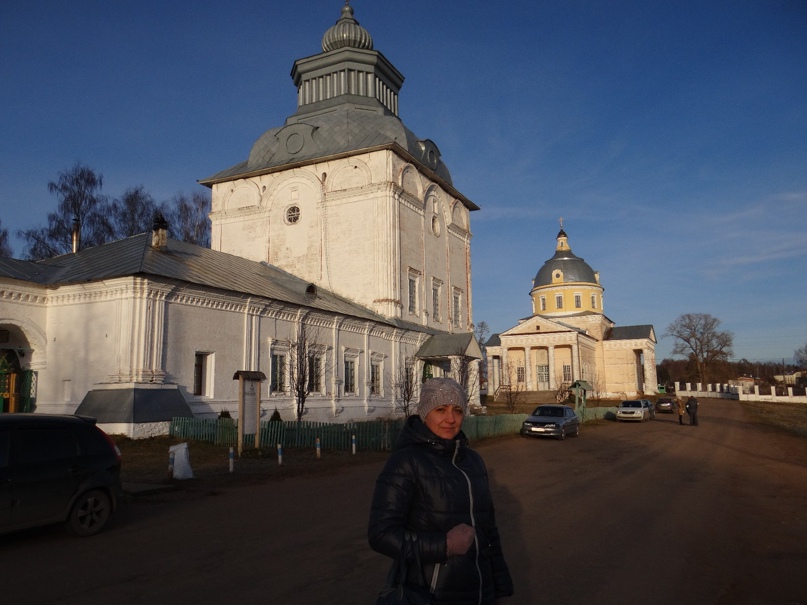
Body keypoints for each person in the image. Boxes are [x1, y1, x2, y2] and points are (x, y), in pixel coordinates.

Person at [368, 377, 514, 604]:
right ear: (425, 414)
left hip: (479, 593)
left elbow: (488, 533)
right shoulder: (406, 462)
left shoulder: (473, 461)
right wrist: (444, 545)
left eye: (457, 410)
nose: (450, 419)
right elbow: (381, 535)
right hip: (430, 594)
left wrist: (499, 589)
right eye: (440, 409)